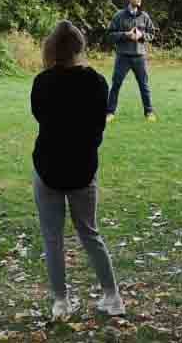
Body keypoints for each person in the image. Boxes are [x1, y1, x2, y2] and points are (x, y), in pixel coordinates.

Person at [30, 21, 125, 320]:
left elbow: (40, 116)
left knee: (52, 237)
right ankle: (113, 297)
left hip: (48, 166)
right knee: (90, 233)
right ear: (80, 48)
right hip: (83, 166)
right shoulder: (96, 82)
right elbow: (98, 124)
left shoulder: (42, 82)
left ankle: (61, 302)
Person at [106, 0, 158, 122]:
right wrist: (125, 35)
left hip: (139, 57)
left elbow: (152, 34)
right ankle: (110, 113)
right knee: (116, 85)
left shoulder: (144, 16)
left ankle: (149, 112)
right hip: (123, 56)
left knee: (144, 86)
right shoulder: (119, 16)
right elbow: (110, 35)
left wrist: (142, 36)